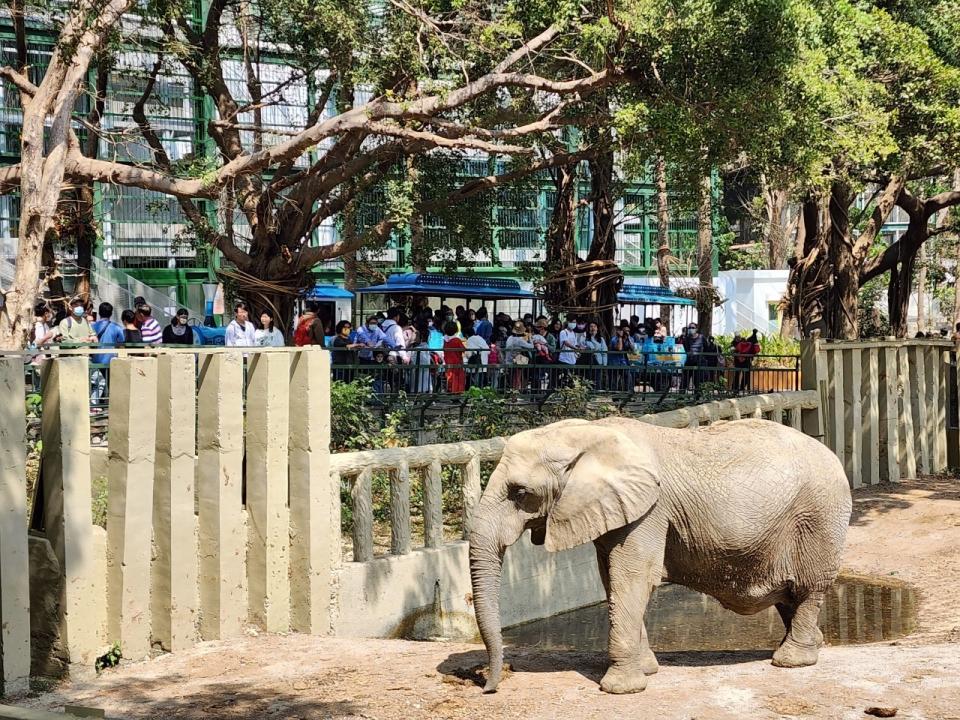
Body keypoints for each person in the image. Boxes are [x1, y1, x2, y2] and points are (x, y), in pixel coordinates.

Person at [608, 321, 634, 391]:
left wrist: (628, 338)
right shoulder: (614, 339)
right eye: (625, 331)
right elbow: (619, 348)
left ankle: (628, 394)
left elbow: (633, 349)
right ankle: (615, 397)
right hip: (614, 362)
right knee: (614, 380)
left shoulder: (630, 339)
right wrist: (620, 337)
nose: (626, 332)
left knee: (628, 377)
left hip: (624, 362)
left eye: (628, 331)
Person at [442, 320, 467, 393]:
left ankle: (450, 391)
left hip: (448, 362)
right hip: (457, 363)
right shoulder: (456, 340)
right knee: (458, 379)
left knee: (450, 378)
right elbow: (463, 349)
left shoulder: (445, 340)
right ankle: (456, 392)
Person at [463, 323, 490, 388]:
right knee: (482, 383)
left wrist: (465, 355)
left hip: (476, 365)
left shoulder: (470, 339)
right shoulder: (479, 338)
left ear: (466, 335)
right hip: (484, 363)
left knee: (475, 384)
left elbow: (469, 353)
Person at [583, 321, 608, 388]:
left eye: (594, 326)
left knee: (598, 379)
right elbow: (585, 348)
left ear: (597, 328)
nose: (593, 328)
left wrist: (604, 364)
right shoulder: (586, 339)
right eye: (591, 326)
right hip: (588, 362)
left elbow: (604, 352)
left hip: (598, 361)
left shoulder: (601, 339)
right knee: (589, 379)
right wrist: (591, 337)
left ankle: (597, 393)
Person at [682, 323, 705, 393]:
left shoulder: (701, 337)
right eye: (689, 328)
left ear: (696, 329)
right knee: (685, 380)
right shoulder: (686, 338)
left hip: (698, 361)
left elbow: (707, 347)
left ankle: (697, 396)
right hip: (689, 361)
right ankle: (681, 396)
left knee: (697, 380)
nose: (691, 329)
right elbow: (685, 348)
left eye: (693, 327)